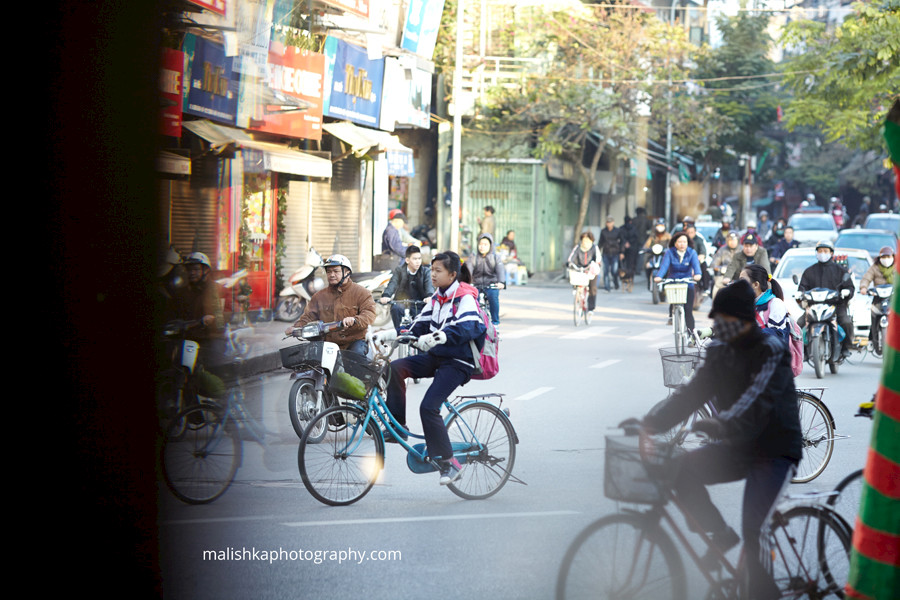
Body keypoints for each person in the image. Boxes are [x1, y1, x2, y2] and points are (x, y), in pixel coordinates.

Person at [638, 279, 802, 600]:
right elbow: (691, 394)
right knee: (680, 469)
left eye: (722, 319)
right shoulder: (719, 354)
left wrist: (720, 423)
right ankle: (720, 534)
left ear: (741, 320)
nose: (716, 325)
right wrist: (650, 423)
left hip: (774, 451)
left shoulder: (770, 349)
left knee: (754, 530)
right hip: (738, 446)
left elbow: (756, 400)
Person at [373, 251, 487, 485]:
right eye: (432, 270)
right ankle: (400, 426)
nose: (432, 274)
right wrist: (388, 334)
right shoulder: (437, 298)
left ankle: (449, 463)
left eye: (438, 271)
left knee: (428, 407)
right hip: (437, 357)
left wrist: (439, 337)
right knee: (396, 368)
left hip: (458, 362)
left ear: (452, 274)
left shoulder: (464, 297)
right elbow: (416, 327)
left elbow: (471, 327)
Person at [284, 254, 376, 356]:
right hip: (328, 343)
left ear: (347, 273)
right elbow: (308, 317)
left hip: (354, 341)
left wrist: (355, 319)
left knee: (355, 359)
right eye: (329, 272)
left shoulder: (362, 293)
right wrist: (295, 327)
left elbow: (369, 313)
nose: (331, 275)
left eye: (336, 271)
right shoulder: (319, 296)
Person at [166, 251, 226, 398]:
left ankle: (217, 403)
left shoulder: (214, 289)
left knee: (207, 374)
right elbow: (173, 313)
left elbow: (220, 317)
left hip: (209, 338)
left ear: (205, 271)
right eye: (189, 270)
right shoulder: (182, 292)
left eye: (196, 269)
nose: (192, 273)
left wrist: (213, 319)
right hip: (188, 337)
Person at [797, 240, 855, 359]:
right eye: (820, 251)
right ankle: (802, 349)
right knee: (798, 324)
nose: (822, 253)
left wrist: (847, 292)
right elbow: (802, 287)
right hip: (813, 306)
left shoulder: (840, 270)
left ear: (831, 253)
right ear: (816, 253)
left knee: (846, 322)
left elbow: (849, 286)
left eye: (825, 251)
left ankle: (845, 347)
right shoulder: (809, 271)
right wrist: (800, 293)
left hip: (836, 306)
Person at [654, 231, 702, 332]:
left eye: (684, 242)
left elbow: (696, 267)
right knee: (673, 301)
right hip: (673, 282)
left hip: (687, 282)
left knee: (688, 311)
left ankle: (691, 337)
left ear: (688, 243)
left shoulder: (692, 252)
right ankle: (672, 315)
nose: (682, 244)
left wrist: (697, 275)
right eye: (679, 242)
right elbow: (664, 267)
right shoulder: (669, 252)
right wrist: (658, 276)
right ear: (675, 243)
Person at [380, 245, 434, 333]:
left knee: (420, 328)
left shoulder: (425, 272)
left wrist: (429, 296)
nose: (418, 262)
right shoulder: (399, 270)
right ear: (407, 260)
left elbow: (429, 286)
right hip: (401, 302)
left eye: (419, 258)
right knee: (395, 309)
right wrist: (386, 295)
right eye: (415, 259)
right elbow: (392, 284)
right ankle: (398, 333)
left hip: (419, 303)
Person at [467, 233, 506, 326]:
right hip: (476, 284)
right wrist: (466, 282)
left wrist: (501, 282)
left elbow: (500, 271)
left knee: (493, 297)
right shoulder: (473, 257)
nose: (482, 247)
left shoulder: (495, 258)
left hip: (491, 284)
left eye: (485, 244)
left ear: (490, 246)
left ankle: (495, 323)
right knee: (472, 300)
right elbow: (468, 271)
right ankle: (472, 322)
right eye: (480, 244)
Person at [567, 231, 600, 314]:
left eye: (587, 240)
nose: (585, 242)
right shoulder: (578, 248)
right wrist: (571, 264)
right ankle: (579, 300)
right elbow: (571, 258)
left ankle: (591, 308)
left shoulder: (594, 248)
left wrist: (595, 265)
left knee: (592, 288)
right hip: (580, 269)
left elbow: (598, 259)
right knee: (576, 281)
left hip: (590, 270)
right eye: (583, 240)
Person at [710, 231, 740, 299]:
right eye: (730, 240)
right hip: (724, 276)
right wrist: (720, 268)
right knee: (716, 285)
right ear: (727, 241)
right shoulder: (722, 250)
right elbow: (714, 263)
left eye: (734, 240)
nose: (732, 242)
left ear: (738, 240)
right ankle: (715, 305)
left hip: (739, 276)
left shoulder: (742, 250)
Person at [599, 216, 624, 291]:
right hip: (606, 253)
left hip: (615, 253)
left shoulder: (617, 231)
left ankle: (616, 282)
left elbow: (622, 241)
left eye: (610, 222)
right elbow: (600, 242)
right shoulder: (603, 231)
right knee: (606, 270)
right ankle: (607, 287)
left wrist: (622, 252)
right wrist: (596, 252)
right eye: (607, 222)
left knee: (614, 270)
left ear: (613, 222)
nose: (609, 224)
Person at [619, 216, 640, 292]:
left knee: (624, 266)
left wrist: (625, 243)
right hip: (632, 249)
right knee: (631, 266)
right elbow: (637, 238)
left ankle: (624, 280)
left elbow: (621, 238)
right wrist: (630, 243)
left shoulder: (621, 228)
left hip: (624, 249)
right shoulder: (634, 229)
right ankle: (630, 280)